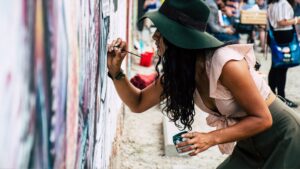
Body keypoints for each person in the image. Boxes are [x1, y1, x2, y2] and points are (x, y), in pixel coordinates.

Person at [107, 0, 300, 168]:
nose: (155, 36)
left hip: (283, 137)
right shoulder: (182, 72)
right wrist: (116, 71)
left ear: (179, 37)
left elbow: (264, 119)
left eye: (162, 30)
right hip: (248, 140)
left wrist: (209, 138)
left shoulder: (226, 64)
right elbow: (138, 103)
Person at [267, 0, 299, 107]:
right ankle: (280, 97)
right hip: (283, 35)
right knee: (281, 67)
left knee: (276, 66)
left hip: (276, 35)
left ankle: (272, 95)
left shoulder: (272, 3)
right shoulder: (283, 3)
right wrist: (296, 20)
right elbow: (281, 21)